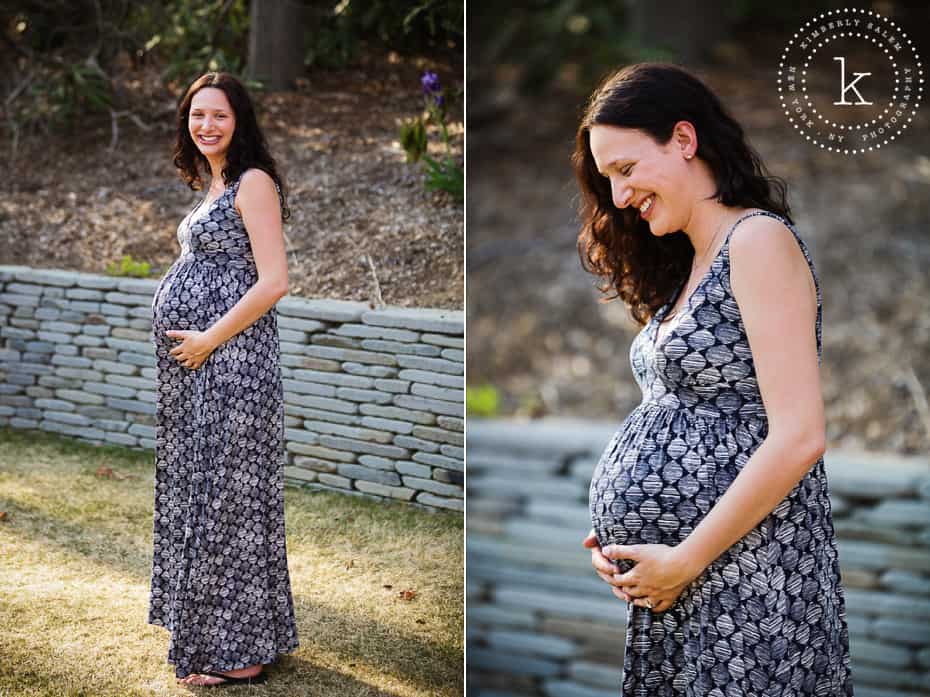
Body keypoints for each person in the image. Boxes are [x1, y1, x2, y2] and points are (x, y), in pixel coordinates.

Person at [573, 63, 854, 696]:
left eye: (625, 169)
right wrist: (625, 542)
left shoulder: (756, 242)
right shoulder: (690, 264)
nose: (618, 197)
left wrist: (682, 557)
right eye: (607, 179)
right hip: (686, 588)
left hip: (749, 584)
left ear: (683, 139)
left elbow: (800, 435)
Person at [148, 71, 299, 687]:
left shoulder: (253, 182)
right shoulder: (213, 185)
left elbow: (274, 280)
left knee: (227, 501)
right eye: (196, 115)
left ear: (241, 122)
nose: (205, 125)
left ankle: (241, 653)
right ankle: (233, 635)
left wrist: (209, 337)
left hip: (232, 366)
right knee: (208, 496)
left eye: (219, 116)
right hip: (201, 370)